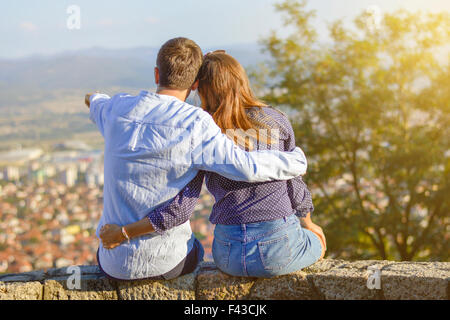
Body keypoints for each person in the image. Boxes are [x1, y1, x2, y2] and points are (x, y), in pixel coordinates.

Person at [86, 38, 308, 281]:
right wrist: (294, 162)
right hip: (166, 264)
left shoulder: (115, 108)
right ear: (194, 84)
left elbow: (94, 100)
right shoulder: (198, 124)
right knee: (197, 248)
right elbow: (245, 166)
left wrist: (94, 98)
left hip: (113, 264)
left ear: (156, 73)